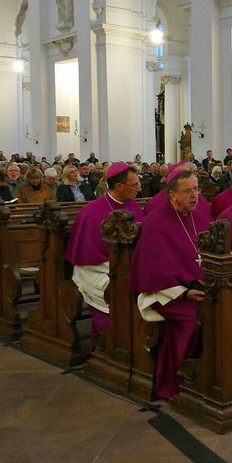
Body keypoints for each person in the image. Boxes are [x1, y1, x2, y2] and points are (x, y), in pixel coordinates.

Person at [129, 168, 210, 401]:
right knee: (195, 320)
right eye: (188, 191)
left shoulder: (201, 216)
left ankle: (207, 375)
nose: (195, 195)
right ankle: (173, 379)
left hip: (200, 288)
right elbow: (155, 269)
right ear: (172, 194)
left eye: (197, 189)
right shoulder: (156, 221)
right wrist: (184, 293)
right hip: (165, 293)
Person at [65, 162, 144, 337]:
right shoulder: (90, 212)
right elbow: (87, 255)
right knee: (119, 296)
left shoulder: (134, 206)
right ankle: (110, 343)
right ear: (119, 186)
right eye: (135, 185)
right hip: (95, 270)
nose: (139, 189)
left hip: (131, 268)